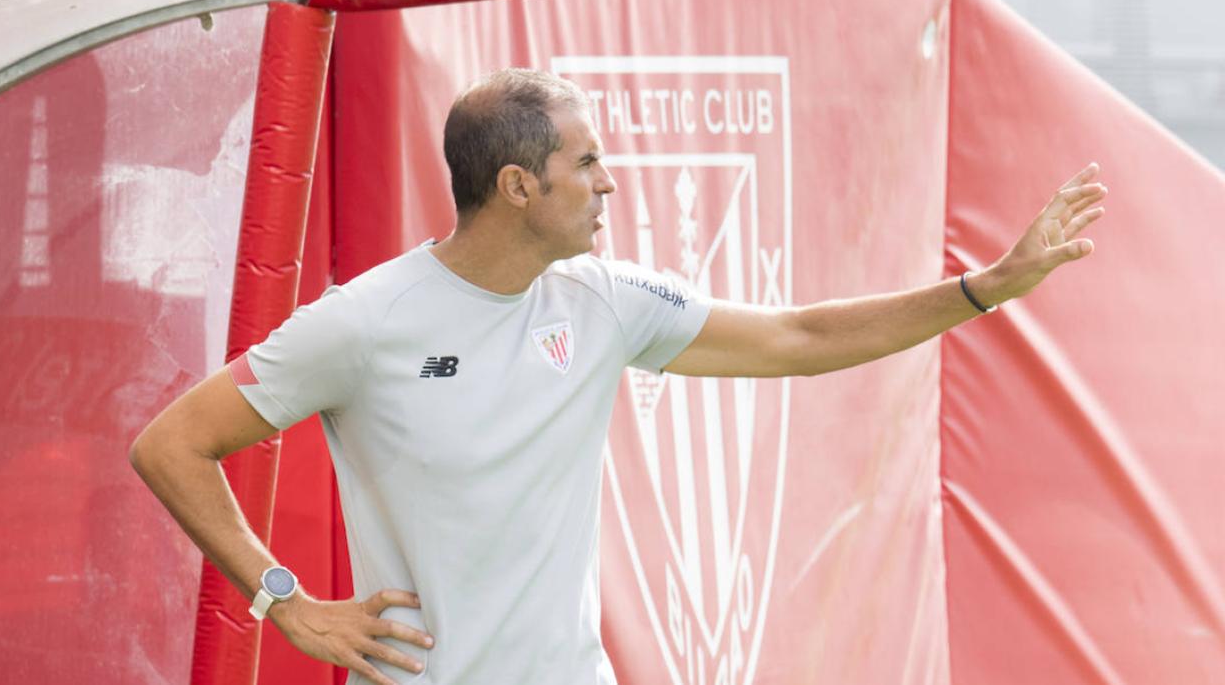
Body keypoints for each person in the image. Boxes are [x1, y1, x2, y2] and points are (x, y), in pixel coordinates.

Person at [129, 68, 1107, 685]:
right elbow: (171, 441)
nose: (608, 181)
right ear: (518, 187)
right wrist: (286, 598)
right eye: (586, 160)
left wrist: (986, 287)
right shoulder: (361, 323)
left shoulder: (603, 301)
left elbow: (800, 335)